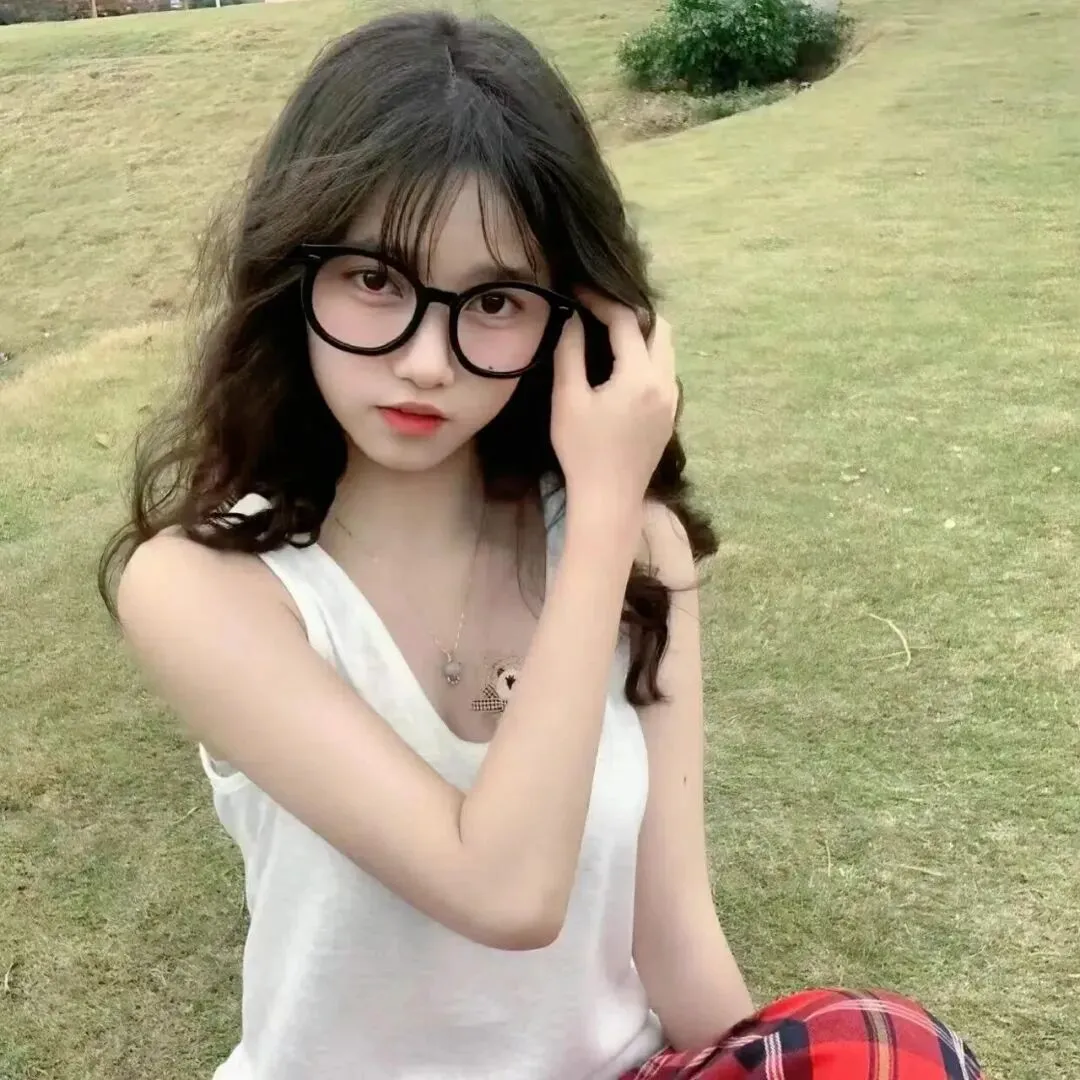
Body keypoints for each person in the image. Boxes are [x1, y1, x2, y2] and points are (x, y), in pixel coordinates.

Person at [98, 11, 984, 1080]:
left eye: (494, 300)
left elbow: (674, 936)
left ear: (575, 315)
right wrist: (607, 511)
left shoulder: (634, 549)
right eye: (375, 279)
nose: (428, 361)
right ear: (295, 277)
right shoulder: (206, 588)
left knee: (897, 1053)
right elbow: (506, 892)